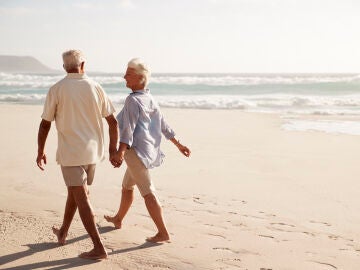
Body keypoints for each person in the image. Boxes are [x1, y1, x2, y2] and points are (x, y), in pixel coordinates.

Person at [36, 50, 119, 260]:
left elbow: (45, 124)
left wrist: (40, 151)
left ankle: (99, 247)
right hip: (93, 154)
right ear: (83, 64)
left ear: (64, 67)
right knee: (77, 192)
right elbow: (113, 122)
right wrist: (112, 151)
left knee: (81, 197)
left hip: (71, 153)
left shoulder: (57, 89)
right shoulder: (96, 87)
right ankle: (63, 231)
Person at [104, 58, 191, 243]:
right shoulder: (149, 97)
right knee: (127, 186)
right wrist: (179, 144)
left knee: (148, 191)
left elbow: (128, 129)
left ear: (139, 77)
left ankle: (163, 232)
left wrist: (120, 152)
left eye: (128, 73)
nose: (124, 76)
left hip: (134, 152)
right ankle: (118, 218)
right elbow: (163, 125)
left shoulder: (132, 100)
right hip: (145, 151)